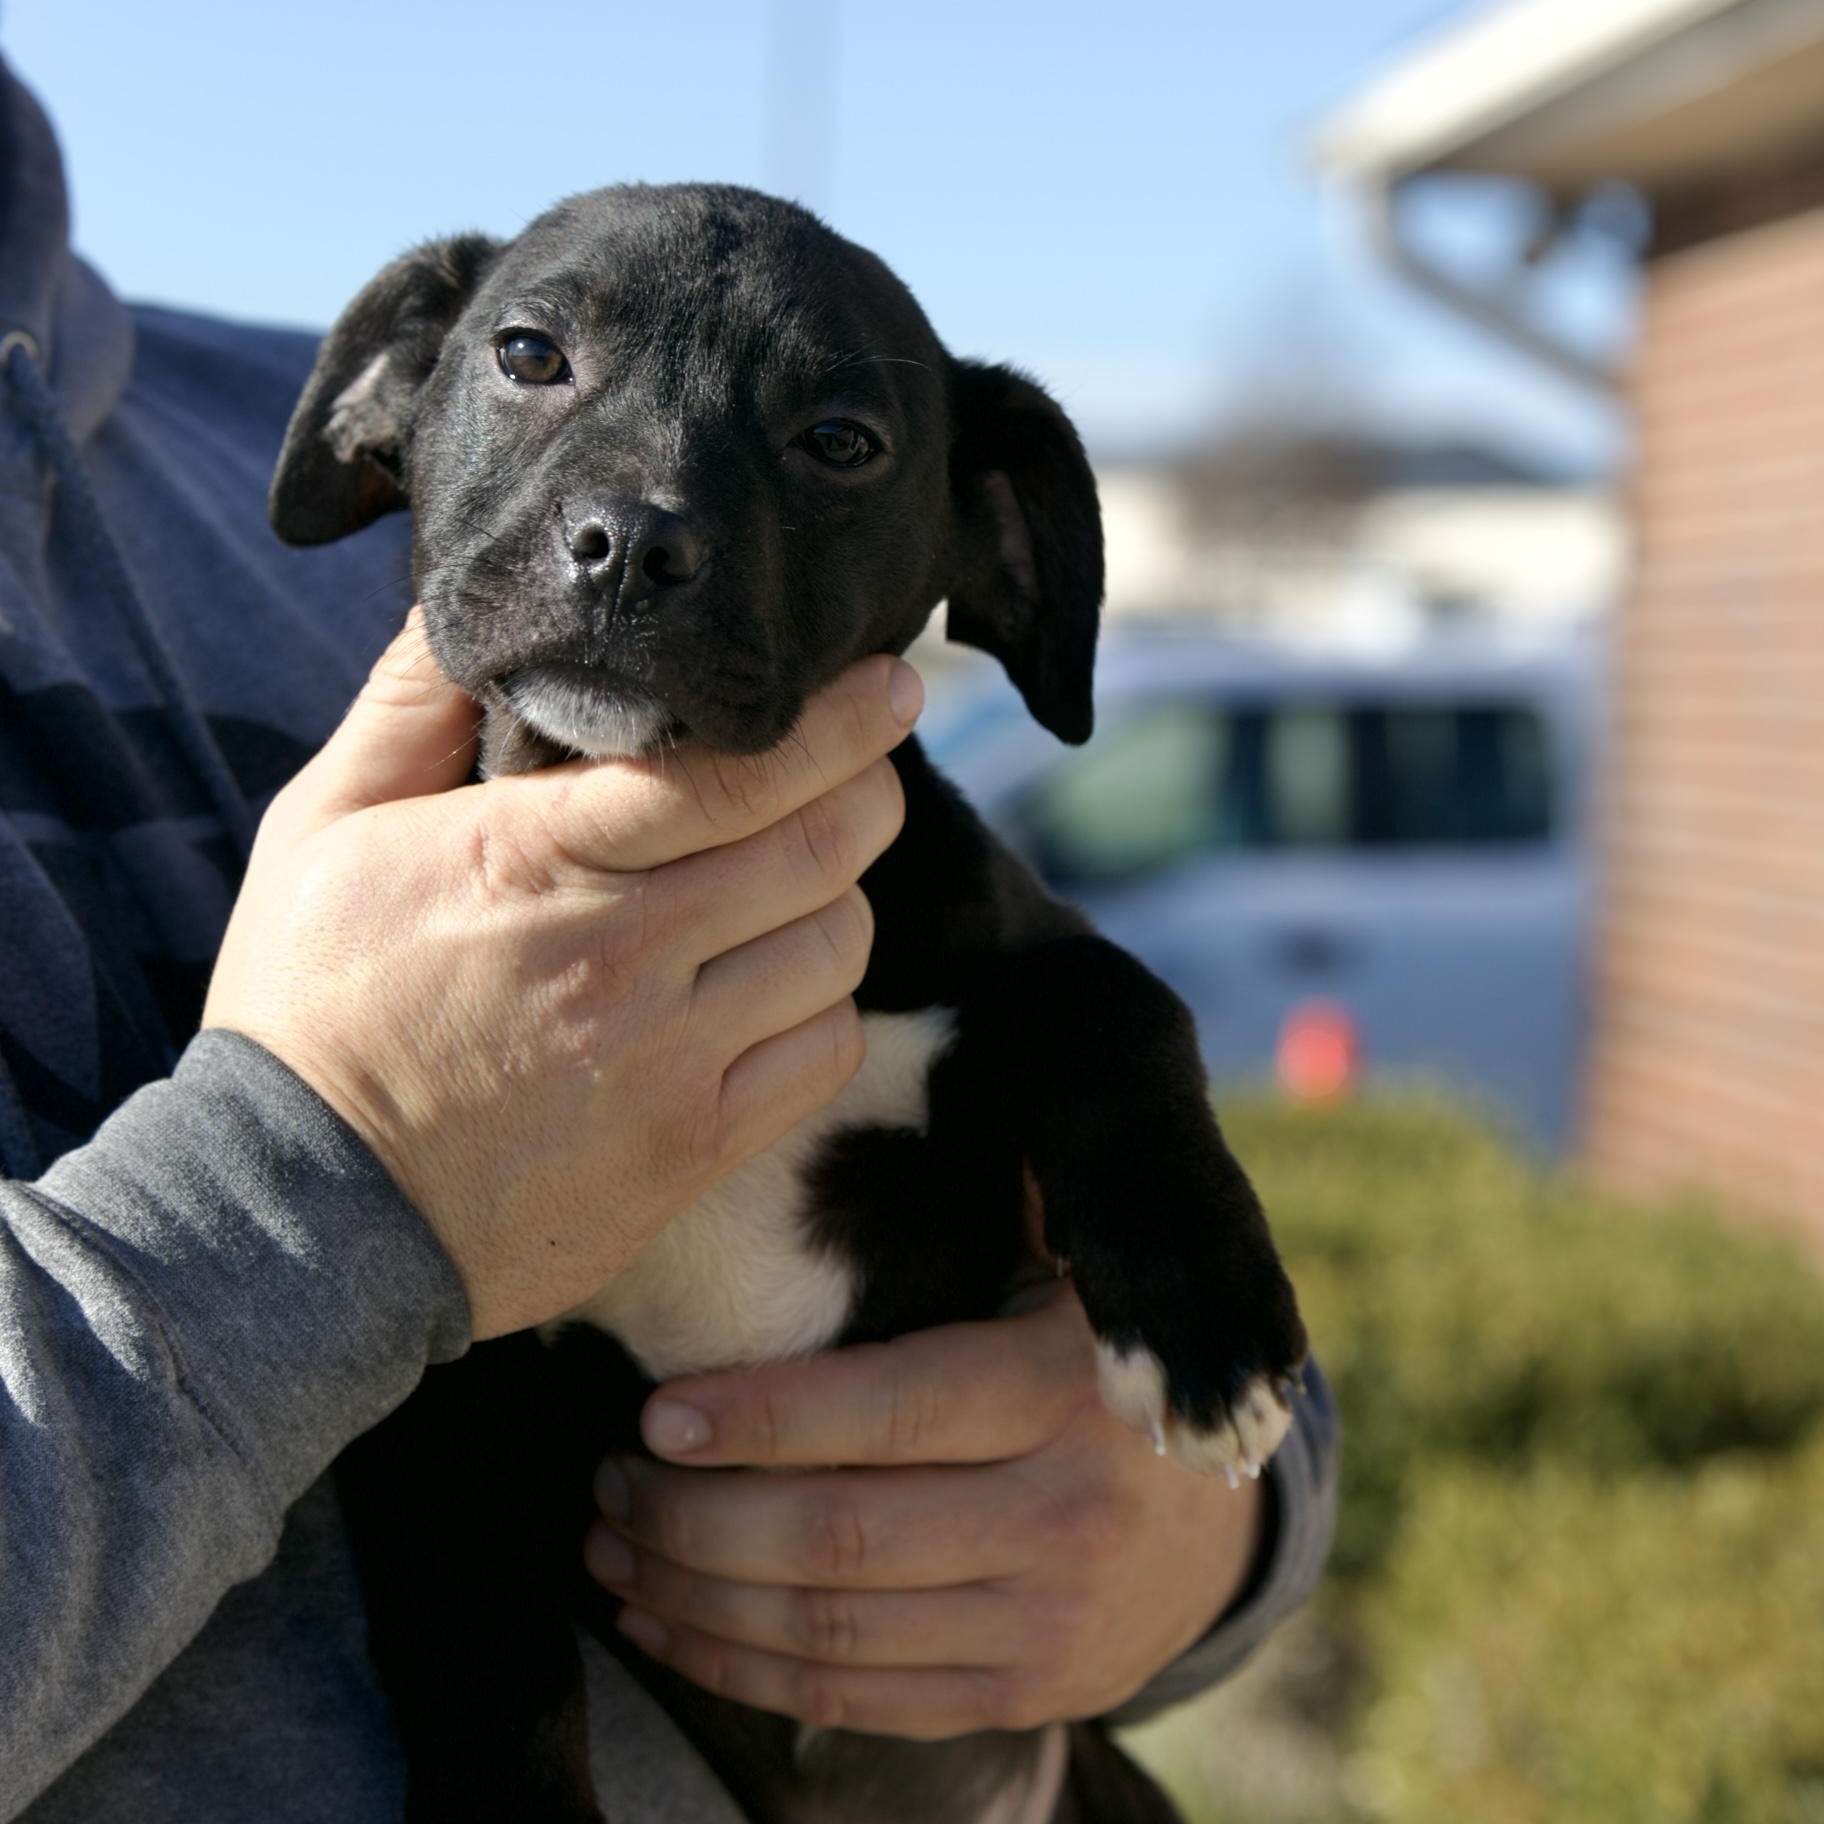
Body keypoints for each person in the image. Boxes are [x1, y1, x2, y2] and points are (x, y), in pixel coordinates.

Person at [0, 55, 1336, 1824]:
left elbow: (1098, 1055)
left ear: (994, 540)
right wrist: (327, 1171)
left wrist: (1207, 1527)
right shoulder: (410, 486)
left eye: (834, 445)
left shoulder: (247, 428)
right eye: (537, 362)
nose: (634, 514)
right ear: (397, 407)